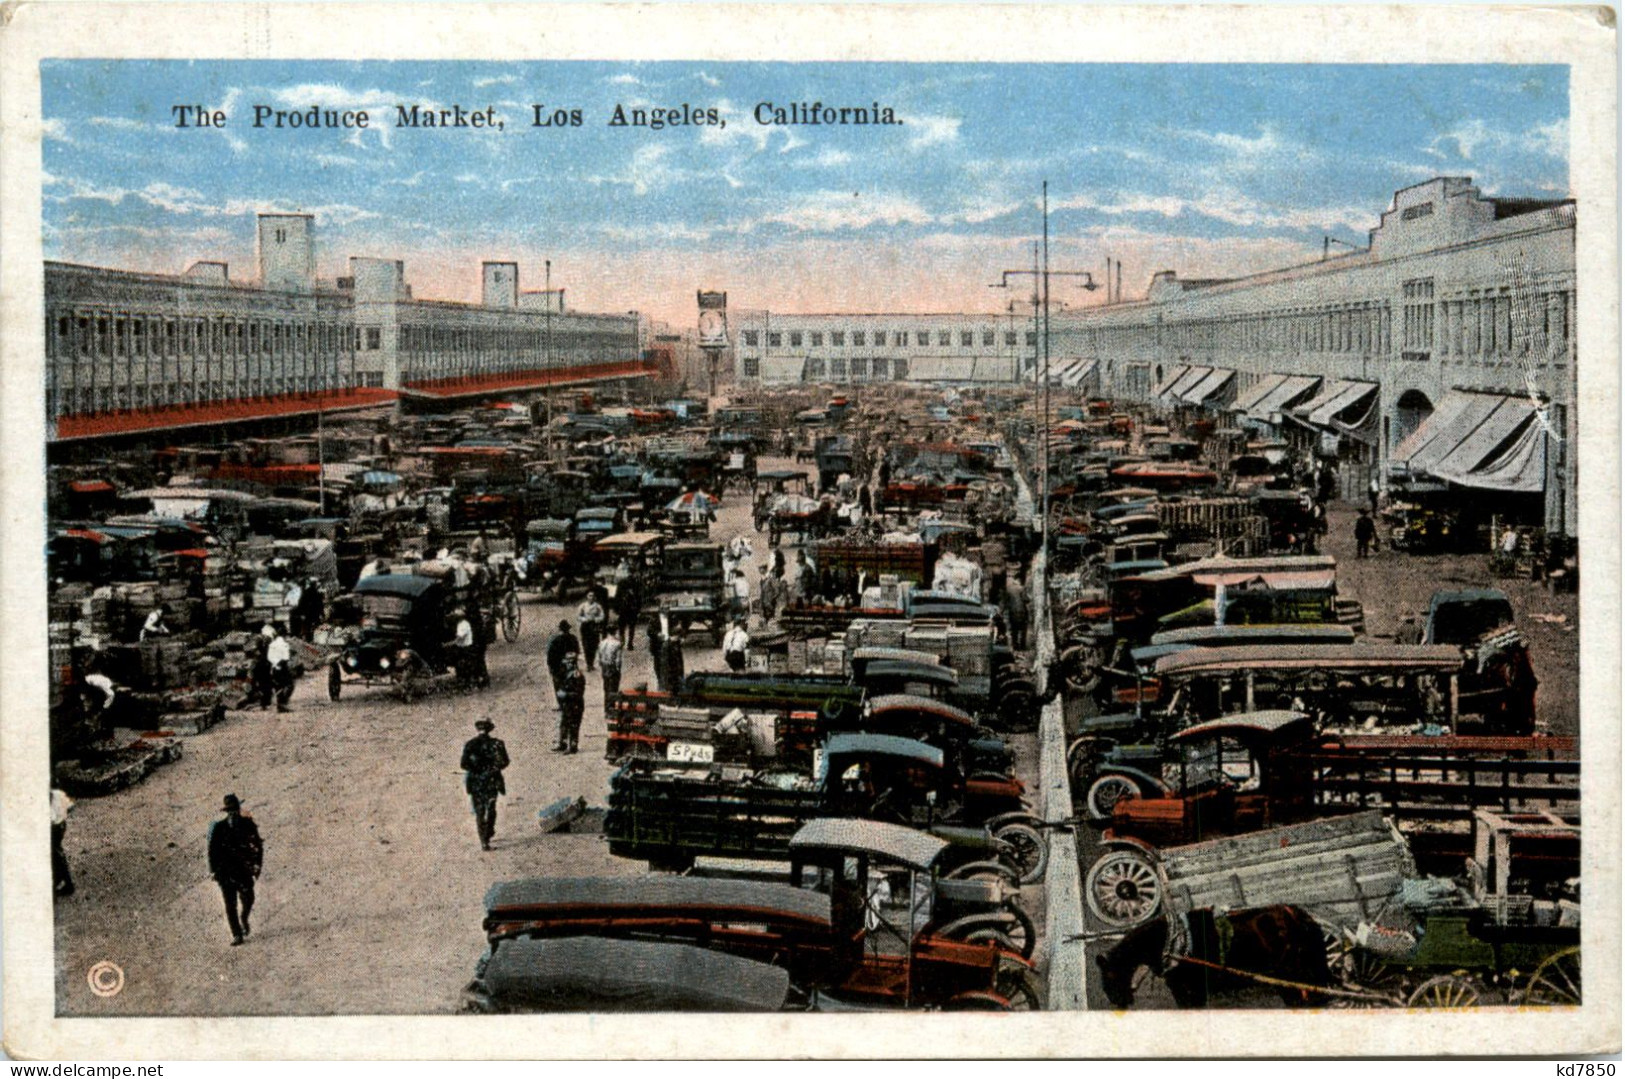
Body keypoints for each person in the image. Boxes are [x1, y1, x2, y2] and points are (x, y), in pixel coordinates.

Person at [208, 793, 263, 946]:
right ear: (226, 812)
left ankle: (244, 918)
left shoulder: (248, 824)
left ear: (239, 809)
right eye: (230, 811)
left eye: (235, 810)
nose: (233, 813)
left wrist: (257, 865)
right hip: (225, 874)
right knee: (230, 905)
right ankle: (237, 934)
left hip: (244, 871)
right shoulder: (219, 828)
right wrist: (214, 871)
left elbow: (258, 846)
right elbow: (212, 852)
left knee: (249, 899)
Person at [460, 718, 509, 850]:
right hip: (492, 780)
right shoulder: (497, 744)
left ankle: (484, 841)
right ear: (490, 729)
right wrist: (492, 769)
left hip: (476, 782)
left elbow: (464, 764)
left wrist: (476, 769)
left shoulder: (470, 744)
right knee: (491, 807)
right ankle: (489, 831)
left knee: (480, 811)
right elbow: (504, 762)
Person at [554, 656, 586, 754]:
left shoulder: (577, 675)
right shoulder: (566, 674)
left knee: (573, 725)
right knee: (564, 723)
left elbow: (579, 692)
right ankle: (562, 743)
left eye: (568, 663)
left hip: (575, 703)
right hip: (567, 704)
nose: (566, 665)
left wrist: (566, 694)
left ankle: (573, 746)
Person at [51, 786, 74, 897]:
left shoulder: (53, 796)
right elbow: (71, 806)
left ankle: (66, 883)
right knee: (57, 853)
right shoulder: (57, 794)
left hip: (54, 828)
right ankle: (60, 880)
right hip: (61, 825)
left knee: (57, 855)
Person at [265, 624, 294, 712]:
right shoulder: (284, 644)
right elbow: (286, 657)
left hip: (274, 667)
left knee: (278, 686)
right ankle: (283, 704)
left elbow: (269, 657)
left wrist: (275, 663)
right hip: (282, 667)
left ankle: (280, 705)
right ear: (284, 635)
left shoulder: (272, 644)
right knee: (289, 685)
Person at [544, 619, 579, 691]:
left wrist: (551, 669)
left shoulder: (555, 640)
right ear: (568, 629)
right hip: (571, 667)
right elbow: (577, 652)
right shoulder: (573, 639)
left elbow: (550, 657)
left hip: (558, 668)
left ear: (560, 629)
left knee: (559, 688)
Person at [577, 593, 606, 671]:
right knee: (586, 645)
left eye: (593, 596)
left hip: (594, 627)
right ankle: (588, 663)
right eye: (589, 596)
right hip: (585, 627)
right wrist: (584, 619)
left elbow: (602, 616)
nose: (591, 597)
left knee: (594, 645)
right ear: (587, 597)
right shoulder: (583, 606)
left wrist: (596, 619)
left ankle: (591, 663)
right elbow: (578, 616)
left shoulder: (598, 606)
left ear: (595, 597)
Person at [596, 632, 623, 713]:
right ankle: (611, 707)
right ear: (615, 632)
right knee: (613, 688)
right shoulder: (617, 644)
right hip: (612, 667)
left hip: (605, 667)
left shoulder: (602, 643)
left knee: (606, 687)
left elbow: (599, 659)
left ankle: (606, 707)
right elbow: (618, 660)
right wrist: (618, 669)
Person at [1002, 577, 1030, 651]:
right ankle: (1022, 646)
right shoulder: (1022, 588)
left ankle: (1015, 646)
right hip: (1022, 611)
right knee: (1023, 629)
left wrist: (1002, 611)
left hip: (1012, 611)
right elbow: (1026, 599)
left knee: (1014, 629)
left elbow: (1005, 602)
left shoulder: (1008, 590)